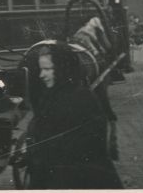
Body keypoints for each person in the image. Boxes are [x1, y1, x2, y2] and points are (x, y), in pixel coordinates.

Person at [26, 43, 123, 189]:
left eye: (47, 69)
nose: (41, 75)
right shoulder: (49, 97)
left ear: (62, 69)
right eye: (41, 69)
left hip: (79, 179)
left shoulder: (83, 99)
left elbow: (88, 144)